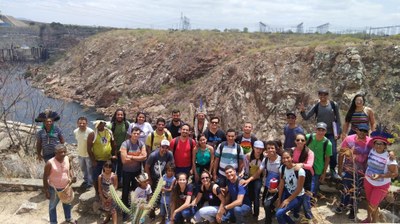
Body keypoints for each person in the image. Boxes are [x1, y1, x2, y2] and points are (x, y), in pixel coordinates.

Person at [299, 88, 342, 180]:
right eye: (321, 95)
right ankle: (315, 169)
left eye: (325, 95)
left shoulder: (333, 105)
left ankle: (333, 170)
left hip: (330, 133)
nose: (323, 97)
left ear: (327, 95)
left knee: (333, 152)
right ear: (319, 95)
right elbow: (306, 117)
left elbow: (338, 119)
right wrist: (302, 111)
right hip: (319, 133)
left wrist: (338, 132)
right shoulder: (317, 106)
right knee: (317, 152)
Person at [335, 123, 373, 221]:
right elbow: (341, 154)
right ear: (356, 130)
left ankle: (353, 210)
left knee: (357, 191)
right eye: (361, 130)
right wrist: (339, 169)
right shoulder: (349, 139)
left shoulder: (370, 142)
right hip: (348, 169)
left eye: (365, 131)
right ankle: (342, 205)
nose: (362, 133)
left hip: (361, 172)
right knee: (346, 188)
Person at [363, 126, 398, 223]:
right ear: (373, 144)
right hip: (368, 181)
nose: (378, 146)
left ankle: (374, 220)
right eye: (377, 143)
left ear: (385, 145)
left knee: (373, 204)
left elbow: (395, 174)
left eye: (381, 144)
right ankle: (368, 218)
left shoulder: (389, 157)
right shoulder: (371, 151)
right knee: (369, 201)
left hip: (381, 185)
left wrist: (380, 176)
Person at [242, 141, 281, 224]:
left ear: (276, 149)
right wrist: (248, 180)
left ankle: (268, 221)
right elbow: (258, 173)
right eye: (268, 148)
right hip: (268, 186)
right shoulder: (266, 159)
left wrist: (277, 189)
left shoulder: (281, 160)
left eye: (272, 148)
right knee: (264, 203)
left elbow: (283, 178)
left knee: (267, 204)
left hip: (277, 187)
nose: (270, 150)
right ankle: (271, 213)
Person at [43, 144, 76, 224]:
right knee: (52, 206)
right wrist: (46, 191)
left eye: (64, 152)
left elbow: (70, 168)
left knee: (67, 203)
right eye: (60, 152)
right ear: (55, 153)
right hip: (54, 189)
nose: (63, 154)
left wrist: (72, 176)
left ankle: (68, 218)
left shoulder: (67, 159)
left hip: (66, 187)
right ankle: (53, 222)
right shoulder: (50, 163)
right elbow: (45, 178)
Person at [120, 127, 147, 216]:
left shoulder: (141, 144)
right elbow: (124, 160)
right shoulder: (125, 144)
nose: (136, 135)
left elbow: (144, 157)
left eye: (138, 133)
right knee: (125, 191)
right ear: (131, 134)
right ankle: (124, 210)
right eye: (134, 133)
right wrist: (138, 157)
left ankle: (134, 209)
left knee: (136, 190)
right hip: (126, 171)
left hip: (137, 171)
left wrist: (131, 157)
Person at [276, 150, 306, 224]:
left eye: (287, 157)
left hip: (297, 196)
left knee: (279, 214)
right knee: (279, 213)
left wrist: (287, 200)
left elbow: (299, 189)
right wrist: (279, 198)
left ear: (292, 158)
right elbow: (282, 183)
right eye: (283, 158)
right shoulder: (282, 168)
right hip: (287, 192)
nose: (286, 160)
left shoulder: (300, 171)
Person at [87, 119, 115, 196]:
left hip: (108, 159)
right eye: (97, 124)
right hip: (97, 160)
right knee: (96, 177)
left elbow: (113, 144)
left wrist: (114, 155)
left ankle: (109, 192)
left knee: (109, 176)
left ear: (104, 124)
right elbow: (89, 149)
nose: (99, 125)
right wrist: (93, 161)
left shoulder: (109, 132)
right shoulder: (92, 134)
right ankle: (97, 192)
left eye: (100, 123)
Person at [292, 133, 314, 222]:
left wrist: (300, 164)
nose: (300, 142)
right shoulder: (292, 150)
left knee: (306, 197)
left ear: (305, 141)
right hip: (296, 176)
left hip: (307, 177)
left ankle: (308, 216)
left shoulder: (309, 152)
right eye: (298, 140)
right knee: (297, 194)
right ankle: (296, 213)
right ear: (295, 141)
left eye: (302, 140)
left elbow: (309, 165)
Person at [306, 122, 332, 197]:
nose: (320, 132)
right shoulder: (309, 137)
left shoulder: (327, 143)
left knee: (313, 188)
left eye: (323, 130)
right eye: (319, 130)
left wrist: (324, 173)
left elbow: (327, 159)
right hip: (307, 165)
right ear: (315, 130)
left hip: (318, 168)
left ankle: (311, 202)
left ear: (325, 131)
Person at [243, 140, 264, 218]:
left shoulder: (264, 158)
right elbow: (245, 168)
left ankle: (256, 214)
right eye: (257, 148)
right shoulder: (247, 156)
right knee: (249, 194)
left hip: (257, 178)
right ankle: (248, 210)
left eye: (261, 149)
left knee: (256, 195)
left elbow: (259, 173)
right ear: (253, 148)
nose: (259, 150)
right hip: (248, 177)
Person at [109, 108, 130, 185]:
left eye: (121, 115)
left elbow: (128, 136)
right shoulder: (112, 125)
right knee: (113, 167)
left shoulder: (127, 124)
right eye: (118, 115)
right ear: (115, 115)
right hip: (113, 149)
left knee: (121, 167)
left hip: (123, 149)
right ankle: (111, 182)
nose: (120, 116)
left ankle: (119, 182)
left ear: (124, 116)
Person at [74, 116, 94, 189]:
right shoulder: (76, 131)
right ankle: (85, 180)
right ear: (77, 123)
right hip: (80, 153)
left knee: (89, 169)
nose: (81, 124)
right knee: (83, 169)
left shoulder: (90, 132)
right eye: (80, 123)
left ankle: (90, 183)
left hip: (88, 154)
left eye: (83, 123)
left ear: (87, 124)